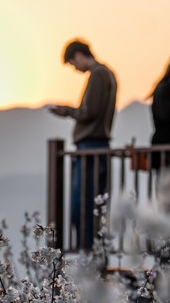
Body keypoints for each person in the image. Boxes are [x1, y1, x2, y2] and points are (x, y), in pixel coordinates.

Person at [48, 39, 118, 251]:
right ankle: (94, 251)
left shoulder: (97, 74)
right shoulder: (108, 74)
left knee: (83, 205)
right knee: (96, 204)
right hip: (98, 145)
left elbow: (90, 111)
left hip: (90, 146)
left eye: (72, 63)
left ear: (79, 55)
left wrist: (69, 111)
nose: (75, 68)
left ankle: (88, 251)